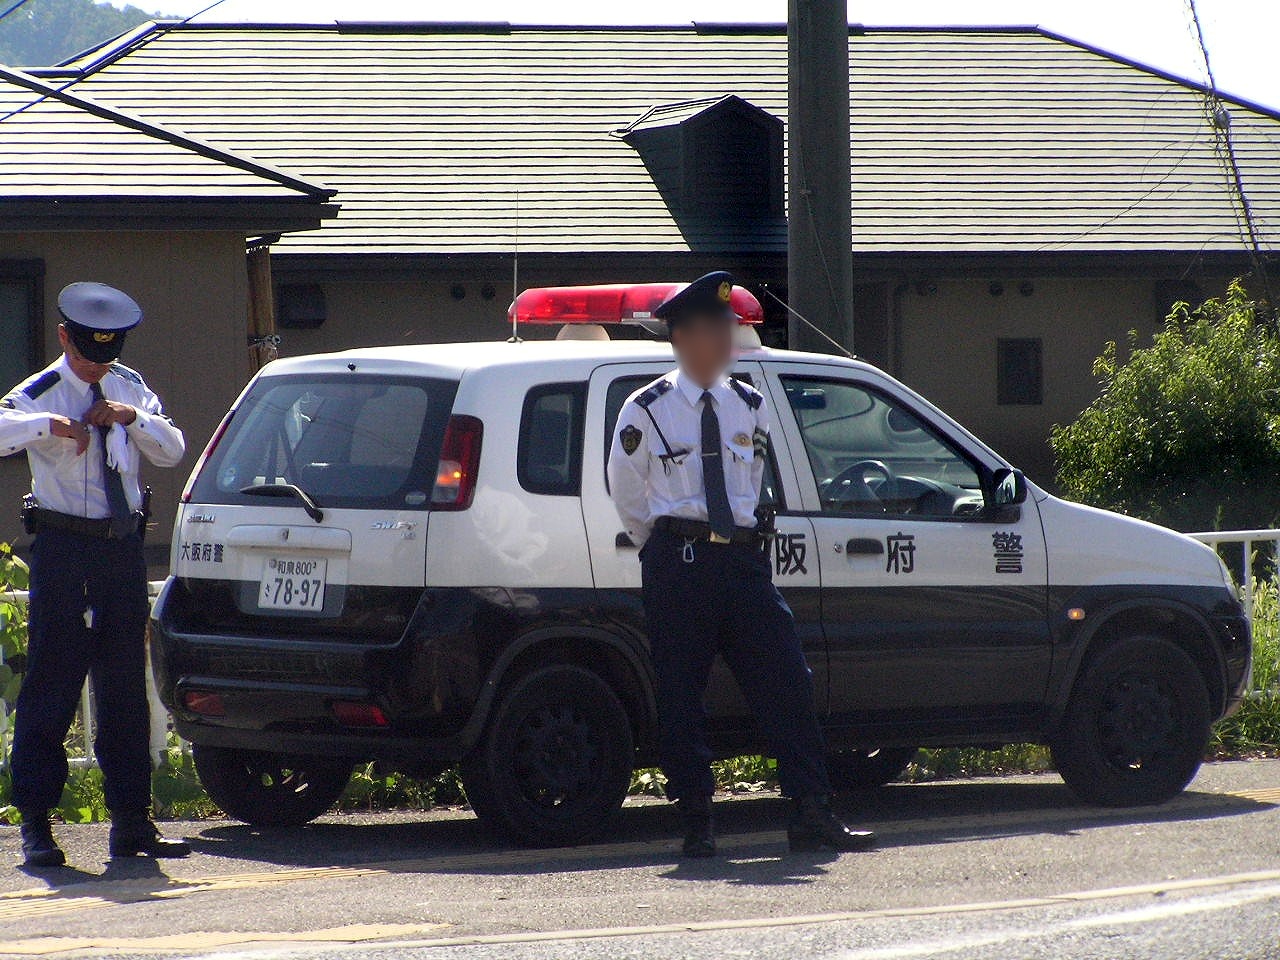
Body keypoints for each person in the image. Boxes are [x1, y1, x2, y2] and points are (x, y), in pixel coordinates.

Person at [608, 271, 876, 858]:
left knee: (788, 681)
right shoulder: (644, 409)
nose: (723, 344)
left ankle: (810, 812)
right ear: (680, 339)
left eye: (728, 331)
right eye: (710, 332)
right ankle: (697, 820)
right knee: (682, 695)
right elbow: (627, 492)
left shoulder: (748, 405)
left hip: (743, 566)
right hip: (680, 563)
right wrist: (663, 544)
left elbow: (752, 484)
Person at [1, 282, 190, 868]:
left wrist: (132, 419)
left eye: (106, 355)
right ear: (64, 338)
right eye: (87, 354)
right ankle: (36, 822)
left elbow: (172, 448)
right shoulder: (42, 391)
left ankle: (132, 821)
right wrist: (49, 427)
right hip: (63, 547)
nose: (97, 365)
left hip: (120, 549)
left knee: (124, 689)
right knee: (53, 684)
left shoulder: (129, 386)